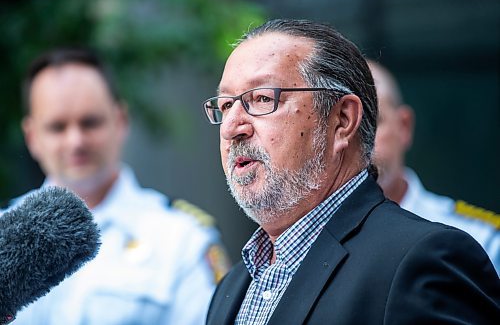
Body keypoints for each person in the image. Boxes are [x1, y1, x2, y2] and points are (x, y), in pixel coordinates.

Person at [202, 19, 499, 324]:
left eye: (262, 99)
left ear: (342, 120)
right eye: (225, 106)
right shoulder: (234, 284)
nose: (231, 127)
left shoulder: (423, 261)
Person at [7, 47, 230, 325]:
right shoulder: (5, 233)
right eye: (57, 127)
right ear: (31, 137)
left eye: (90, 123)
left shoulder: (182, 238)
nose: (76, 141)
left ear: (121, 121)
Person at [369, 59, 500, 274]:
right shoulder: (305, 239)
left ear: (404, 126)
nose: (358, 139)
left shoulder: (479, 239)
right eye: (342, 122)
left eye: (371, 121)